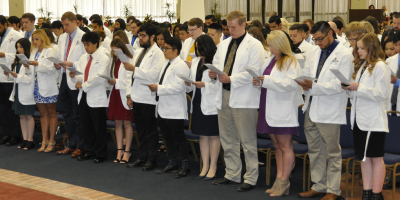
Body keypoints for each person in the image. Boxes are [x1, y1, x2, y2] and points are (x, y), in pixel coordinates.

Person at [296, 21, 353, 200]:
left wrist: (314, 86)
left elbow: (341, 85)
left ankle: (333, 190)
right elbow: (307, 71)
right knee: (314, 150)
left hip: (330, 108)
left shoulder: (344, 54)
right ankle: (319, 185)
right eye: (315, 39)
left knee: (332, 152)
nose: (318, 43)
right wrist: (303, 82)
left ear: (330, 33)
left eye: (320, 39)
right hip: (311, 105)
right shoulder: (314, 51)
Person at [209, 10, 265, 192]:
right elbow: (217, 63)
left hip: (244, 97)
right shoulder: (224, 44)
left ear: (243, 25)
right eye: (228, 27)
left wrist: (231, 78)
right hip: (224, 94)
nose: (230, 30)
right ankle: (232, 173)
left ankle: (251, 176)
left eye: (233, 27)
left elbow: (253, 71)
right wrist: (214, 73)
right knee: (227, 137)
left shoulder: (255, 45)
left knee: (247, 140)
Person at [253, 30, 302, 197]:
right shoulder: (270, 59)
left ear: (281, 44)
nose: (270, 47)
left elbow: (291, 84)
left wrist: (267, 81)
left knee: (285, 146)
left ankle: (284, 180)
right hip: (268, 105)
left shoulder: (291, 61)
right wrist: (259, 82)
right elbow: (267, 81)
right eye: (269, 44)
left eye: (272, 44)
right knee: (276, 146)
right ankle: (279, 178)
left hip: (283, 109)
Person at [342, 32, 389, 200]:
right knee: (363, 158)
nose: (358, 51)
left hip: (373, 121)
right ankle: (367, 192)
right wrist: (349, 89)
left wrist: (358, 88)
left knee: (376, 158)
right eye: (357, 48)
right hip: (360, 120)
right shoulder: (362, 66)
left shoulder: (380, 66)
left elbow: (382, 94)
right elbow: (358, 93)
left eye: (362, 48)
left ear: (371, 48)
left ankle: (377, 194)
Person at [124, 23, 165, 171]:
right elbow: (129, 75)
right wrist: (129, 95)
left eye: (143, 35)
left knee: (151, 131)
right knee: (140, 130)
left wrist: (135, 69)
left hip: (149, 98)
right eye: (140, 35)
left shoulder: (158, 54)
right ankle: (142, 157)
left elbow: (154, 75)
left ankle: (152, 160)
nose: (140, 38)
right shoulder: (139, 52)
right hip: (136, 96)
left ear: (152, 37)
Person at [148, 37, 191, 177]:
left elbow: (179, 87)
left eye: (166, 48)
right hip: (163, 107)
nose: (164, 50)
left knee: (179, 137)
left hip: (174, 108)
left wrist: (158, 88)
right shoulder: (167, 63)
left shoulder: (181, 65)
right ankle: (172, 162)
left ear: (175, 50)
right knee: (167, 137)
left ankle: (185, 165)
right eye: (163, 48)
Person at [70, 31, 110, 163]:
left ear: (95, 43)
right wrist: (74, 76)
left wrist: (83, 85)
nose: (86, 47)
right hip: (83, 96)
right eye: (84, 45)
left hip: (96, 96)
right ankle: (89, 151)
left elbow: (99, 78)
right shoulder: (84, 57)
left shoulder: (104, 57)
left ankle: (101, 153)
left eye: (87, 45)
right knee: (86, 125)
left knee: (98, 128)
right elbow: (82, 74)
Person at [184, 35, 219, 180]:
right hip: (197, 100)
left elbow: (220, 85)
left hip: (211, 103)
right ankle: (205, 165)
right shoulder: (196, 61)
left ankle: (213, 166)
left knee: (213, 135)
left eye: (201, 48)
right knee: (202, 135)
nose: (198, 51)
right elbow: (192, 81)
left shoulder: (216, 61)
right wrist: (188, 84)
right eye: (197, 48)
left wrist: (205, 85)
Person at [54, 12, 86, 158]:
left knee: (77, 115)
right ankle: (71, 144)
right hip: (64, 77)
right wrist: (57, 64)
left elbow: (87, 59)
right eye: (63, 25)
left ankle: (81, 146)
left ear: (75, 22)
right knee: (66, 113)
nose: (65, 27)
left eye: (67, 24)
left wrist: (73, 64)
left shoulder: (83, 36)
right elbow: (61, 57)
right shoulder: (61, 38)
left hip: (76, 79)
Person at [28, 29, 59, 152]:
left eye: (37, 39)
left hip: (48, 85)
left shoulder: (50, 50)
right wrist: (28, 65)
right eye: (33, 39)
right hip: (36, 86)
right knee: (43, 114)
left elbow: (52, 69)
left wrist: (37, 64)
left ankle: (52, 140)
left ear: (43, 39)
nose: (35, 42)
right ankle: (44, 140)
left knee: (52, 113)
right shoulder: (34, 51)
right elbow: (32, 67)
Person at [106, 38, 135, 164]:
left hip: (124, 93)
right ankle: (119, 150)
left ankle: (127, 151)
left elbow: (130, 80)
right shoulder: (115, 61)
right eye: (113, 51)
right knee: (117, 123)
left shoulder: (128, 60)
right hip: (115, 93)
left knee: (127, 124)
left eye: (117, 51)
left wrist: (116, 81)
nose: (115, 54)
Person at [5, 38, 35, 150]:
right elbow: (15, 78)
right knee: (21, 116)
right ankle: (25, 139)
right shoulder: (17, 60)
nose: (18, 49)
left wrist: (17, 76)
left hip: (27, 91)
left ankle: (30, 140)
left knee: (28, 115)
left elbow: (30, 78)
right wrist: (9, 74)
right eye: (17, 47)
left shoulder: (30, 60)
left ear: (26, 48)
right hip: (18, 90)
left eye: (21, 47)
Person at [0, 15, 23, 146]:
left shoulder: (16, 35)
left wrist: (4, 55)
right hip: (0, 77)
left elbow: (21, 55)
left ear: (5, 24)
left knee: (11, 108)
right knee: (2, 108)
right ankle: (5, 133)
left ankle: (15, 135)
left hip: (9, 76)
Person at [386, 31, 400, 115]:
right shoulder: (389, 61)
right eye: (396, 45)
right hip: (390, 105)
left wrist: (397, 82)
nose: (398, 48)